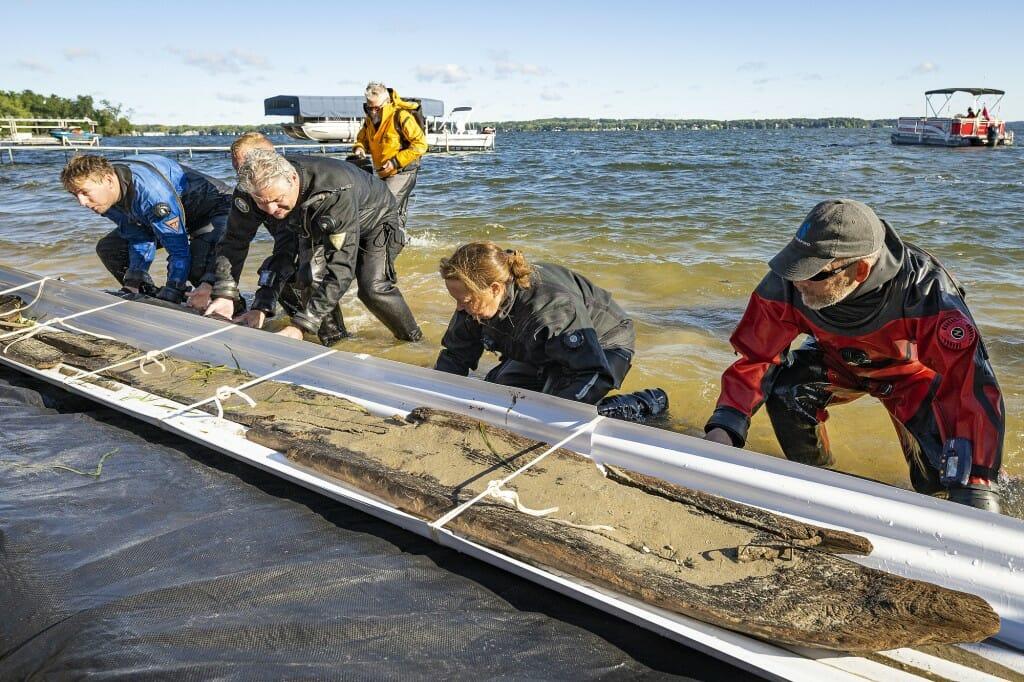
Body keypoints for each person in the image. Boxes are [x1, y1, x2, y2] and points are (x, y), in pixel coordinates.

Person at [703, 199, 1004, 513]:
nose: (796, 280)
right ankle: (816, 479)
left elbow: (969, 385)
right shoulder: (789, 281)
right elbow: (756, 358)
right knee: (786, 392)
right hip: (836, 359)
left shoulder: (926, 291)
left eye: (812, 273)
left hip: (907, 375)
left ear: (859, 270)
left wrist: (978, 485)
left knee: (940, 480)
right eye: (796, 265)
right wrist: (725, 427)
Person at [434, 241, 668, 422]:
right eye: (457, 300)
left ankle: (647, 402)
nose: (459, 307)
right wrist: (437, 397)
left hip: (602, 345)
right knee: (497, 391)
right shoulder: (474, 303)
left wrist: (558, 416)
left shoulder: (551, 308)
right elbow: (455, 355)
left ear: (495, 289)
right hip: (544, 346)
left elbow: (592, 374)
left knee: (555, 411)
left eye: (464, 300)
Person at [221, 149, 422, 342]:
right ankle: (335, 339)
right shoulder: (257, 191)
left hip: (376, 218)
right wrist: (256, 304)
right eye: (262, 203)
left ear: (292, 179)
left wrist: (302, 325)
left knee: (373, 289)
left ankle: (413, 340)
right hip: (320, 217)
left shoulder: (334, 191)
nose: (272, 210)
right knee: (308, 276)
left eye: (277, 200)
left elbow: (341, 267)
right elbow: (272, 249)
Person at [61, 153, 231, 302]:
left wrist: (174, 288)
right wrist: (133, 281)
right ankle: (146, 294)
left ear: (108, 180)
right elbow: (138, 236)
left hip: (213, 208)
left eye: (84, 192)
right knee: (110, 249)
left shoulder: (153, 196)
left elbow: (178, 250)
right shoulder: (104, 199)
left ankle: (230, 307)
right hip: (172, 212)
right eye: (74, 194)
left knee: (198, 269)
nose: (81, 202)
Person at [350, 82, 428, 233]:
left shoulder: (401, 116)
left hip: (403, 171)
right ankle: (400, 241)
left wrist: (396, 161)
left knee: (383, 208)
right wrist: (359, 148)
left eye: (376, 108)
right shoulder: (369, 121)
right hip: (382, 171)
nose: (373, 112)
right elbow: (362, 139)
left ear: (387, 103)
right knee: (392, 212)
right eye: (369, 107)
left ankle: (390, 243)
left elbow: (421, 145)